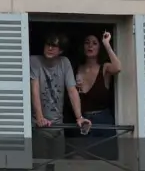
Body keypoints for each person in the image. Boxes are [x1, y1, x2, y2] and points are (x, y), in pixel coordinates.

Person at [30, 32, 90, 164]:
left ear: (61, 50)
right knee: (39, 164)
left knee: (58, 165)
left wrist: (79, 117)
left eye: (54, 46)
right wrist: (40, 118)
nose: (50, 48)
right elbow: (34, 89)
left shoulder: (65, 63)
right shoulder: (34, 61)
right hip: (39, 127)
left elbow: (72, 90)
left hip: (58, 127)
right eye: (48, 45)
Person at [71, 31, 121, 160]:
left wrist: (106, 44)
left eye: (94, 43)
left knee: (105, 161)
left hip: (103, 120)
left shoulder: (104, 68)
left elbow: (118, 67)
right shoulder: (76, 68)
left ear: (99, 48)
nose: (90, 46)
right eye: (87, 43)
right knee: (80, 159)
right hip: (83, 120)